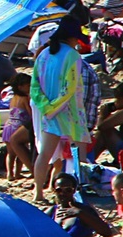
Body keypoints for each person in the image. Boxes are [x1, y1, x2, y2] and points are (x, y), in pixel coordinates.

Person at [32, 19, 91, 202]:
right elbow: (70, 87)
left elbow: (35, 88)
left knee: (45, 154)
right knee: (79, 153)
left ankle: (38, 193)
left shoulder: (43, 55)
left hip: (49, 112)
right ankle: (80, 191)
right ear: (72, 37)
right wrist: (57, 106)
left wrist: (47, 108)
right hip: (71, 111)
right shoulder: (72, 56)